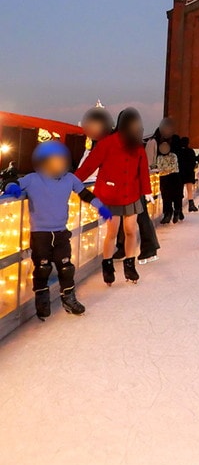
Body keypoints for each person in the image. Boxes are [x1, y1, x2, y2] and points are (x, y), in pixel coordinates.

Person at [2, 141, 112, 318]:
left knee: (66, 266)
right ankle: (42, 300)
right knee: (42, 267)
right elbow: (9, 182)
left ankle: (68, 298)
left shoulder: (69, 178)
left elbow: (85, 194)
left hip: (60, 232)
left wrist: (101, 207)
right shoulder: (32, 178)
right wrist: (12, 187)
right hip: (40, 234)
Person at [74, 107, 152, 286]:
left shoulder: (138, 146)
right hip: (111, 195)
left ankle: (129, 265)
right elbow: (89, 165)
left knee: (131, 230)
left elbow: (143, 171)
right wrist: (72, 180)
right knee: (112, 231)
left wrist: (146, 191)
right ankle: (107, 265)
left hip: (131, 193)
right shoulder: (107, 143)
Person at [151, 139, 185, 224]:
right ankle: (167, 213)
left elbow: (172, 167)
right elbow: (159, 166)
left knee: (177, 196)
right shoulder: (159, 157)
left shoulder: (173, 155)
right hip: (164, 179)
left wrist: (162, 170)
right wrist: (161, 169)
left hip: (174, 178)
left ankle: (177, 211)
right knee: (166, 197)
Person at [178, 136, 199, 212]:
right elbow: (193, 162)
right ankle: (191, 204)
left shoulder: (178, 152)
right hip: (189, 173)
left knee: (180, 190)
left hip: (180, 173)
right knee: (189, 189)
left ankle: (179, 207)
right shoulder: (190, 151)